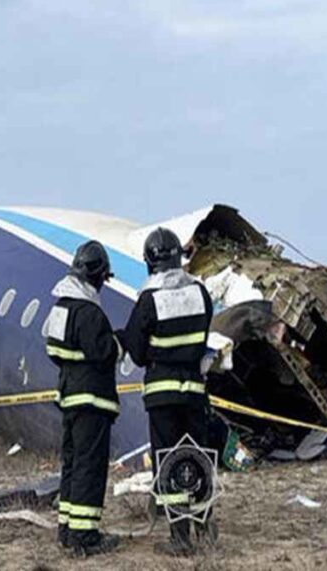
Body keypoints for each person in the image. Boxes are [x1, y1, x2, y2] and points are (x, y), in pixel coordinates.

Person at [118, 228, 216, 556]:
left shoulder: (149, 299)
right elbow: (203, 338)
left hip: (162, 394)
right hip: (194, 391)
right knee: (198, 456)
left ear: (149, 262)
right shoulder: (199, 293)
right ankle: (205, 525)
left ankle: (180, 537)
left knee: (170, 460)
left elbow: (136, 349)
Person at [45, 241, 121, 557]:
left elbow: (53, 351)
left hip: (70, 397)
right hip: (92, 402)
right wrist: (118, 341)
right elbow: (104, 353)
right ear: (97, 276)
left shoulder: (60, 308)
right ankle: (85, 536)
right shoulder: (89, 312)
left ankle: (66, 529)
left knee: (73, 464)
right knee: (90, 466)